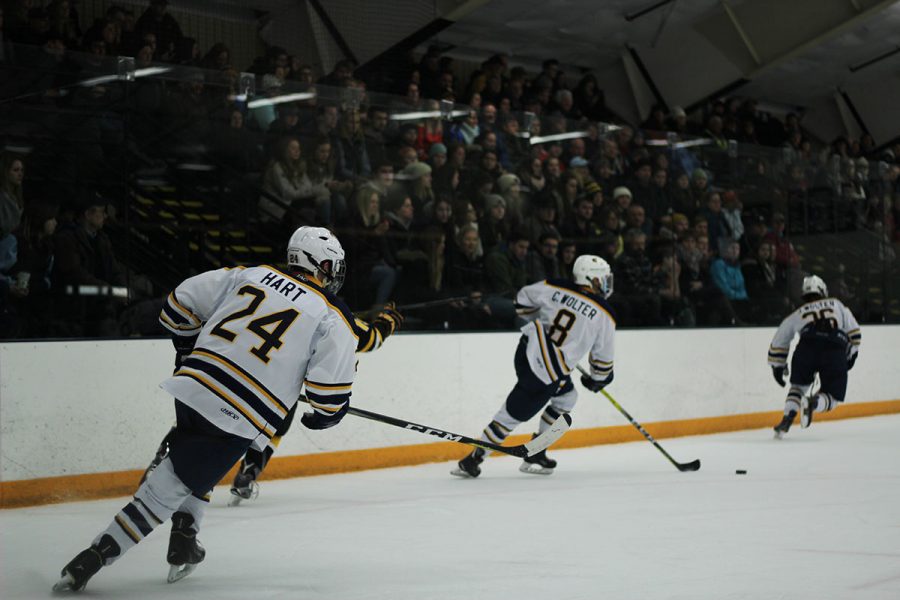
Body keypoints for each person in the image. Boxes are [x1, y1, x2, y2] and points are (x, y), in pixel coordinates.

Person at [53, 227, 359, 592]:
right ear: (317, 264)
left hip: (193, 385)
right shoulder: (331, 315)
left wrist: (187, 349)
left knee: (195, 459)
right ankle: (93, 558)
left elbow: (177, 305)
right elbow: (328, 396)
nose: (332, 274)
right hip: (239, 412)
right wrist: (325, 414)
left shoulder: (250, 274)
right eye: (330, 266)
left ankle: (184, 539)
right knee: (166, 489)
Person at [452, 255, 616, 478]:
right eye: (602, 279)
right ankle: (473, 459)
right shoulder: (604, 314)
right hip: (545, 372)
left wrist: (543, 322)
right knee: (513, 413)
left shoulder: (554, 286)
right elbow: (602, 362)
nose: (605, 283)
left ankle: (537, 452)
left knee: (567, 397)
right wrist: (598, 380)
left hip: (527, 349)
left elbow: (523, 299)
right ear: (590, 279)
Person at [768, 275, 861, 438]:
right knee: (832, 397)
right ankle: (813, 403)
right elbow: (855, 333)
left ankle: (786, 419)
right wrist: (851, 355)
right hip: (834, 348)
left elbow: (780, 340)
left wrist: (777, 365)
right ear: (823, 291)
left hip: (806, 348)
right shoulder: (837, 304)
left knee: (797, 387)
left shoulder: (797, 313)